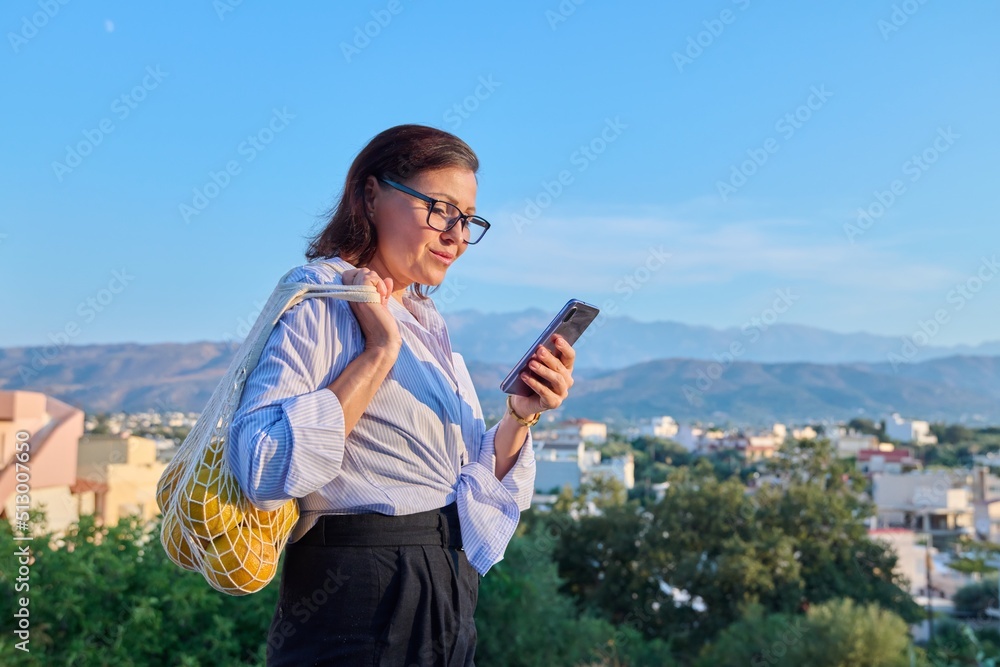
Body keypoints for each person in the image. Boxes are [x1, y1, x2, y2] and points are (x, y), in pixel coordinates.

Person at [227, 124, 577, 666]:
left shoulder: (426, 321)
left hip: (443, 597)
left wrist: (519, 417)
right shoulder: (323, 295)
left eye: (468, 221)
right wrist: (377, 354)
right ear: (370, 195)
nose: (457, 237)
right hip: (360, 599)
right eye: (441, 210)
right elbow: (261, 465)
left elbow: (461, 491)